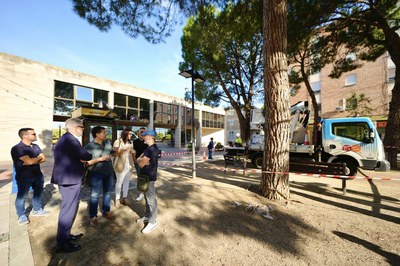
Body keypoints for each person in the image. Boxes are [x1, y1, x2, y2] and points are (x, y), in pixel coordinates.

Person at [51, 118, 93, 253]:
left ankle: (65, 236)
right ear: (76, 127)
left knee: (69, 209)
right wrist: (86, 156)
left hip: (68, 179)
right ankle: (63, 243)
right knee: (68, 211)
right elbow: (86, 155)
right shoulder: (70, 140)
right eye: (82, 127)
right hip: (69, 180)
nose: (83, 130)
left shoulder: (65, 139)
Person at [11, 128, 49, 225]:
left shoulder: (35, 146)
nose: (36, 135)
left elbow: (44, 159)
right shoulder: (17, 148)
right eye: (33, 134)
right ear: (25, 136)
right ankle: (21, 216)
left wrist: (33, 160)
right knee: (22, 197)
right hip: (24, 177)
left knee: (38, 193)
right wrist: (35, 159)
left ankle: (37, 210)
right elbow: (30, 161)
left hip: (38, 175)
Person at [84, 126, 113, 227]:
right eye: (104, 132)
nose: (106, 134)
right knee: (94, 195)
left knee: (107, 193)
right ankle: (93, 216)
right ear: (97, 134)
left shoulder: (107, 143)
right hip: (96, 174)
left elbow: (113, 153)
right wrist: (100, 159)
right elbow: (86, 163)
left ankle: (106, 211)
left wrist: (112, 155)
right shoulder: (89, 147)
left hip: (109, 172)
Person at [136, 129, 159, 234]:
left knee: (151, 200)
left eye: (144, 136)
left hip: (149, 177)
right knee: (147, 198)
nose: (143, 137)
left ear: (149, 137)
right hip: (145, 176)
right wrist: (141, 160)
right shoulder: (148, 148)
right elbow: (139, 159)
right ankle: (147, 216)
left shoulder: (152, 149)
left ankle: (153, 221)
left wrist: (140, 160)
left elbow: (139, 163)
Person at [113, 128, 135, 208]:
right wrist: (122, 149)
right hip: (120, 165)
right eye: (130, 134)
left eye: (131, 134)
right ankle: (117, 199)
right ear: (125, 134)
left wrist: (133, 152)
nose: (131, 135)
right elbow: (114, 154)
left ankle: (124, 198)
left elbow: (132, 153)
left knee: (127, 182)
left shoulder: (131, 142)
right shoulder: (117, 141)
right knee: (119, 183)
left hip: (129, 165)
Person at [133, 127, 148, 201]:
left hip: (146, 162)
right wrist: (135, 160)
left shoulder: (147, 142)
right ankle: (142, 192)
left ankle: (144, 192)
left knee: (146, 177)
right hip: (137, 163)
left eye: (144, 132)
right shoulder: (134, 142)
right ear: (138, 133)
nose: (143, 133)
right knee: (140, 177)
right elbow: (132, 152)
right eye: (141, 132)